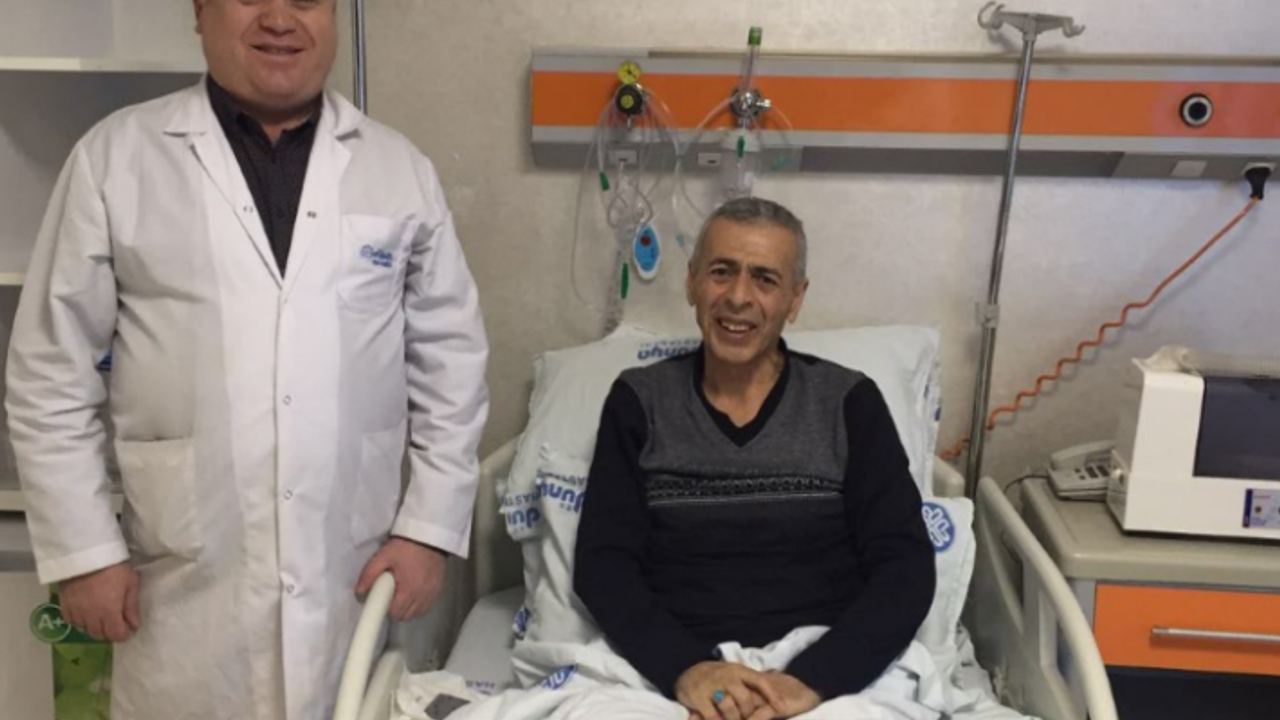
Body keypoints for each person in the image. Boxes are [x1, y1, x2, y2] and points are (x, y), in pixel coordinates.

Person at [5, 1, 489, 718]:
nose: (279, 20)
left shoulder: (397, 169)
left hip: (349, 573)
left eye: (306, 0)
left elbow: (451, 363)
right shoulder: (117, 158)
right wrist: (85, 552)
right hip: (180, 583)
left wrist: (427, 530)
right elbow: (51, 371)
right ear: (200, 11)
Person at [574, 197, 935, 720]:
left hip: (825, 672)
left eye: (765, 279)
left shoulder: (847, 403)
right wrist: (687, 668)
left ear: (795, 299)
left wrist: (811, 681)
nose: (738, 297)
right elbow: (604, 566)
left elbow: (904, 568)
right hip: (672, 673)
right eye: (721, 272)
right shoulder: (640, 402)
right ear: (692, 281)